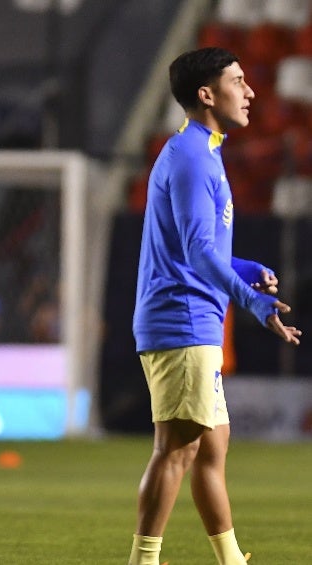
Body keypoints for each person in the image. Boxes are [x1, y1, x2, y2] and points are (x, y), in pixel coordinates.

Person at [128, 46, 301, 565]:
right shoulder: (189, 158)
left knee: (211, 445)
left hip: (192, 319)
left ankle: (231, 560)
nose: (250, 91)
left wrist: (246, 271)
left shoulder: (203, 151)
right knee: (177, 450)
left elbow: (197, 245)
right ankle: (144, 561)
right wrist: (252, 301)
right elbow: (200, 251)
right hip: (181, 320)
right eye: (238, 80)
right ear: (206, 94)